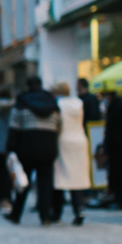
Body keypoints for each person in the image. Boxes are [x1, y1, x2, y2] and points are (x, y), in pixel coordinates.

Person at [6, 77, 62, 225]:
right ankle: (45, 217)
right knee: (45, 183)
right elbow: (59, 124)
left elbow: (14, 126)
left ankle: (16, 214)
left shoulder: (22, 102)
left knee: (23, 181)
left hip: (27, 147)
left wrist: (11, 148)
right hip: (48, 147)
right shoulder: (52, 102)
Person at [51, 82, 91, 225]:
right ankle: (79, 208)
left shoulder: (57, 104)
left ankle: (56, 212)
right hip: (79, 140)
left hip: (63, 140)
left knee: (60, 178)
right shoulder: (79, 103)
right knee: (77, 178)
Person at [103, 90, 122, 208]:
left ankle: (120, 198)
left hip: (117, 145)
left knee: (117, 172)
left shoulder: (116, 107)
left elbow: (112, 128)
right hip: (120, 144)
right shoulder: (120, 105)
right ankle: (120, 197)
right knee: (120, 172)